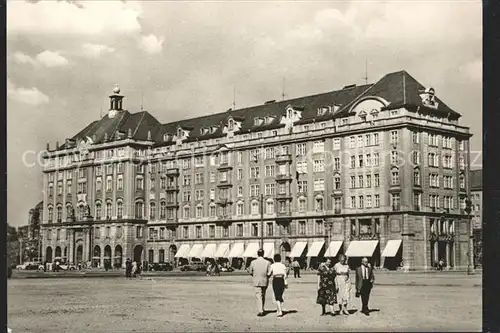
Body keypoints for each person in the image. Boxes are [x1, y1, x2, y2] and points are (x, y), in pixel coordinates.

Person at [248, 248, 272, 317]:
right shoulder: (267, 262)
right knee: (263, 295)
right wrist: (267, 277)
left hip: (256, 281)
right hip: (264, 280)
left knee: (258, 296)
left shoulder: (253, 262)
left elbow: (250, 272)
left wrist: (254, 275)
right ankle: (262, 309)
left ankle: (260, 311)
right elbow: (269, 272)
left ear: (257, 254)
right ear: (263, 254)